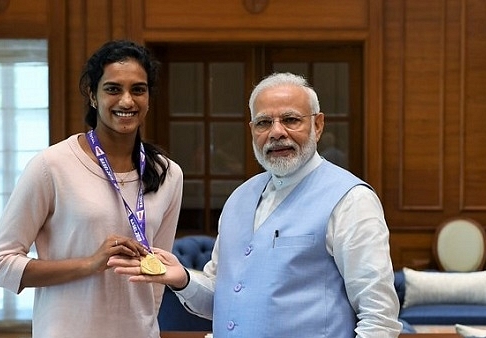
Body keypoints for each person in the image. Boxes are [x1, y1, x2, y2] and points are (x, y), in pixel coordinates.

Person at [109, 72, 403, 337]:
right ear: (252, 130)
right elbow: (223, 300)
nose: (276, 132)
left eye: (290, 120)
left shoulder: (351, 199)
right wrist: (182, 279)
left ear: (318, 125)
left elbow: (379, 317)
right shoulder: (240, 198)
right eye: (264, 122)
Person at [0, 40, 183, 338]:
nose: (127, 101)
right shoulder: (51, 166)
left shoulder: (168, 174)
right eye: (113, 89)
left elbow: (157, 273)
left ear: (149, 97)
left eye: (138, 89)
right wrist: (90, 264)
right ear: (93, 95)